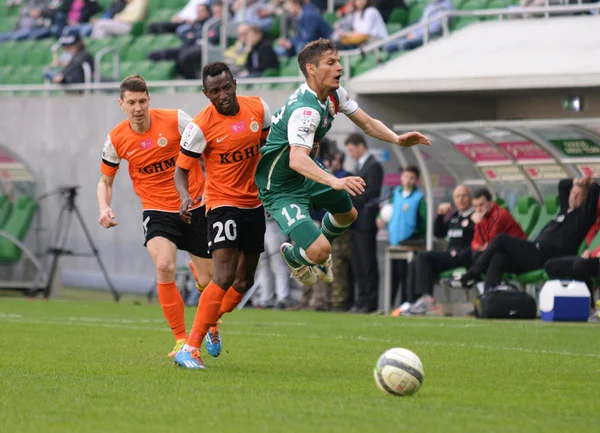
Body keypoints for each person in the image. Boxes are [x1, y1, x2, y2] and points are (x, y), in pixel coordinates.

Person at [254, 39, 430, 296]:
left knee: (349, 214)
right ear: (311, 69)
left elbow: (368, 123)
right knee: (321, 250)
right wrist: (334, 180)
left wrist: (397, 139)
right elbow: (296, 159)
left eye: (338, 61)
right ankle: (298, 254)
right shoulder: (306, 110)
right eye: (331, 62)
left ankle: (304, 254)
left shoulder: (334, 95)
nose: (339, 68)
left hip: (305, 172)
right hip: (280, 188)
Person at [97, 74, 212, 358]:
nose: (138, 108)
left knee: (211, 281)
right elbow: (105, 182)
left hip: (194, 203)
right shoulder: (116, 139)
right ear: (121, 104)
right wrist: (103, 207)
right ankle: (180, 339)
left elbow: (209, 148)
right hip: (156, 209)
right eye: (131, 102)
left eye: (142, 101)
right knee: (164, 266)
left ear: (149, 100)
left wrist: (212, 188)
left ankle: (209, 314)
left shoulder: (176, 120)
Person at [173, 62, 272, 370]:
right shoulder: (200, 126)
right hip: (221, 203)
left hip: (253, 204)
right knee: (224, 276)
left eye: (226, 87)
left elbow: (270, 147)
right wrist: (186, 196)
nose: (222, 94)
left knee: (244, 281)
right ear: (206, 93)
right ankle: (190, 347)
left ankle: (211, 320)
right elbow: (180, 170)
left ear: (235, 84)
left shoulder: (259, 109)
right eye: (214, 91)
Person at [446, 178, 600, 291]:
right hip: (533, 252)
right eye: (572, 193)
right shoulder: (565, 210)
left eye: (578, 195)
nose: (573, 197)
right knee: (499, 256)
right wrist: (578, 182)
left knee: (501, 239)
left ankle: (472, 274)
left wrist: (590, 183)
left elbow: (594, 191)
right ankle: (489, 296)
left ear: (585, 198)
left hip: (548, 256)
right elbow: (563, 185)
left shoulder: (583, 217)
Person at [398, 185, 474, 315]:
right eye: (457, 196)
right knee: (415, 261)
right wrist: (440, 215)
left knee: (423, 257)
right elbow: (438, 233)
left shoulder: (474, 217)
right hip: (449, 255)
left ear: (471, 198)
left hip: (463, 257)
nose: (461, 199)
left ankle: (427, 299)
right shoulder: (455, 216)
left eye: (464, 196)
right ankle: (411, 302)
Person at [345, 133, 383, 313]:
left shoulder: (374, 166)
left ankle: (370, 301)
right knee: (358, 264)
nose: (351, 154)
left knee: (368, 264)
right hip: (355, 222)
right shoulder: (358, 166)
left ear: (360, 146)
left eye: (352, 150)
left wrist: (350, 195)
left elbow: (372, 193)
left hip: (366, 222)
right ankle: (361, 300)